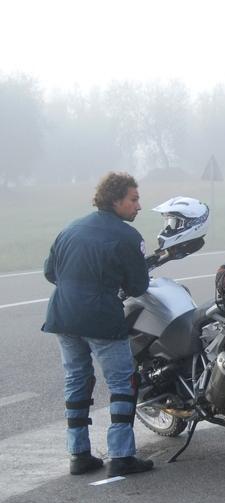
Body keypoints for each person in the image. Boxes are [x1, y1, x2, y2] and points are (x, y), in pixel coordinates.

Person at [42, 172, 154, 477]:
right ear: (116, 200)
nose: (138, 206)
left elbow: (50, 272)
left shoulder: (71, 228)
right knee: (122, 382)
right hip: (101, 317)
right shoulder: (128, 237)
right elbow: (138, 285)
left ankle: (79, 455)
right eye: (133, 199)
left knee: (77, 379)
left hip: (63, 315)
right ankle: (121, 457)